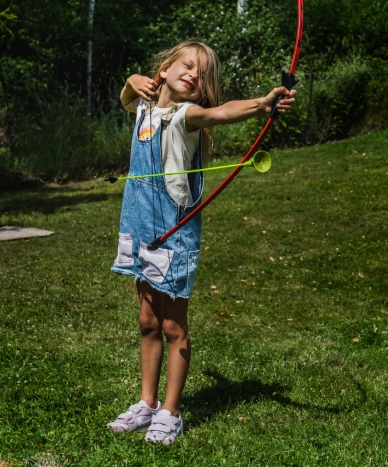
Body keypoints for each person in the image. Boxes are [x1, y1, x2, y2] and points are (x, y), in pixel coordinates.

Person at [107, 39, 296, 445]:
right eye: (187, 65)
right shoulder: (144, 105)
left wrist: (263, 105)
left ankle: (170, 413)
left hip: (173, 232)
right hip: (140, 228)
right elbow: (126, 99)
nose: (194, 75)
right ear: (165, 68)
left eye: (202, 74)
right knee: (147, 321)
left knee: (173, 325)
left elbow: (220, 112)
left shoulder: (185, 117)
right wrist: (131, 79)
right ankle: (147, 403)